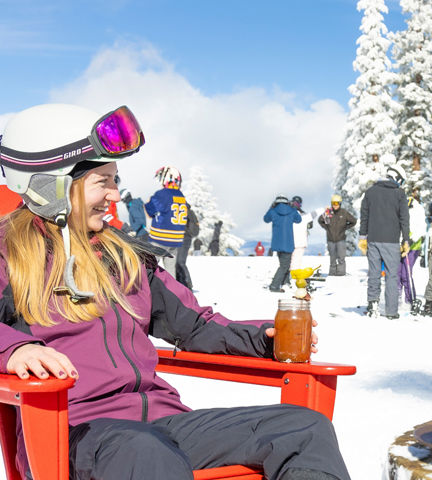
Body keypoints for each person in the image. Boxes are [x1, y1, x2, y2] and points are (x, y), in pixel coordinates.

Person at [0, 103, 349, 480]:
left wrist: (262, 338)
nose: (116, 195)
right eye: (103, 181)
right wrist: (17, 349)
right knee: (143, 451)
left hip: (163, 428)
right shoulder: (10, 254)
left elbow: (195, 325)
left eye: (115, 180)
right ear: (52, 186)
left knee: (303, 429)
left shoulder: (124, 255)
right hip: (72, 435)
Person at [358, 165, 409, 319]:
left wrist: (362, 237)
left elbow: (364, 215)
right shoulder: (400, 194)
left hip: (373, 239)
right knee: (391, 276)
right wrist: (406, 239)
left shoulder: (370, 192)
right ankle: (391, 311)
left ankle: (373, 304)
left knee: (374, 273)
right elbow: (404, 219)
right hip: (391, 241)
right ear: (398, 178)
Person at [145, 165, 187, 277]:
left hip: (160, 238)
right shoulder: (181, 196)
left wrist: (149, 201)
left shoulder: (162, 194)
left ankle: (144, 291)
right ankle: (171, 292)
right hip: (176, 240)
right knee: (170, 271)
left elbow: (150, 210)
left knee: (148, 267)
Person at [264, 195, 301, 292]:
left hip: (277, 243)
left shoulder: (273, 211)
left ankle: (284, 283)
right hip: (288, 243)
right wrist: (293, 208)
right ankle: (274, 286)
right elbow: (299, 220)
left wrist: (271, 207)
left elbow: (266, 219)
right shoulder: (292, 211)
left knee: (284, 264)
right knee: (284, 266)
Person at [318, 194, 356, 276]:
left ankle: (341, 274)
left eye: (337, 203)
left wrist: (345, 227)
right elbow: (320, 220)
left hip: (340, 239)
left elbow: (353, 221)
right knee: (332, 259)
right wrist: (326, 228)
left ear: (340, 204)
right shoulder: (328, 212)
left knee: (341, 258)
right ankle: (332, 274)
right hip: (330, 240)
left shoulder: (344, 213)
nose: (335, 205)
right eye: (333, 203)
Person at [400, 193, 426, 309]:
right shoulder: (401, 209)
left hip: (413, 247)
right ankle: (397, 299)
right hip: (402, 246)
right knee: (397, 273)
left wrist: (411, 240)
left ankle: (411, 299)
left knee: (406, 273)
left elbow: (420, 229)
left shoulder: (417, 211)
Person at [175, 202, 199, 289]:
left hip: (184, 239)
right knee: (176, 262)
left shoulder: (188, 212)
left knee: (180, 262)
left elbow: (193, 230)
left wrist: (185, 233)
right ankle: (180, 283)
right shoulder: (182, 211)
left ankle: (187, 284)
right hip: (179, 239)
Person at [289, 195, 313, 271]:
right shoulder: (287, 213)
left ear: (300, 205)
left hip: (300, 240)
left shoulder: (303, 214)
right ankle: (287, 274)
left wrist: (306, 225)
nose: (295, 205)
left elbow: (310, 224)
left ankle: (294, 273)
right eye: (294, 203)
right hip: (290, 240)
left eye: (297, 204)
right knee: (289, 259)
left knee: (297, 259)